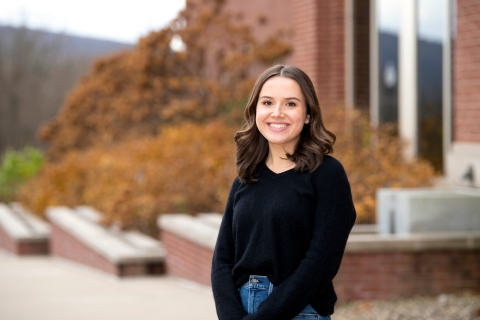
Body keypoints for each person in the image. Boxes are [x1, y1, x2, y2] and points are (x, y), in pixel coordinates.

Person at [211, 65, 356, 320]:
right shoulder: (245, 178)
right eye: (267, 102)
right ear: (256, 110)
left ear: (308, 114)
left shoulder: (327, 175)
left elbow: (321, 262)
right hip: (240, 312)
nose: (277, 113)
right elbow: (222, 258)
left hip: (300, 312)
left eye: (290, 104)